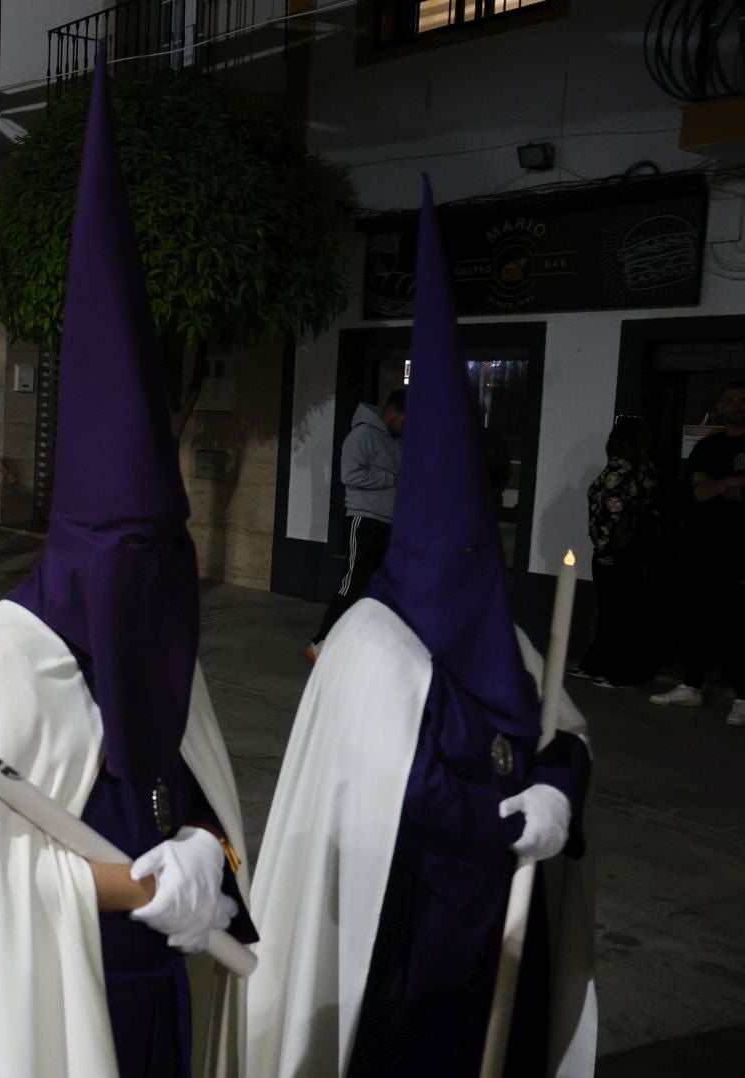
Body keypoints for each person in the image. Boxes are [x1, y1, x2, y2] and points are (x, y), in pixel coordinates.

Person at [0, 57, 252, 1077]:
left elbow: (210, 816)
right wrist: (140, 888)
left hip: (163, 1003)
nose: (149, 577)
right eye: (127, 551)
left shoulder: (160, 649)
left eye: (165, 551)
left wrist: (213, 861)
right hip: (48, 1023)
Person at [244, 182, 594, 1077]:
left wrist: (559, 790)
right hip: (407, 927)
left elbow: (564, 730)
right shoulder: (370, 643)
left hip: (504, 918)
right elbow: (404, 791)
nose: (467, 575)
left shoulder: (500, 637)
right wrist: (504, 822)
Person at [651, 380, 745, 726]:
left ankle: (743, 695)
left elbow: (715, 491)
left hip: (741, 551)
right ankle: (692, 685)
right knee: (699, 619)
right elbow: (700, 494)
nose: (736, 406)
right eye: (730, 399)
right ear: (720, 405)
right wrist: (734, 482)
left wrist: (717, 485)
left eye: (743, 401)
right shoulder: (707, 446)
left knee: (739, 625)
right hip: (702, 547)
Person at [309, 388, 405, 660]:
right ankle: (321, 641)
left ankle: (360, 642)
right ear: (392, 412)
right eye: (404, 420)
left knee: (376, 586)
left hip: (389, 522)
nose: (405, 426)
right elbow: (349, 475)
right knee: (353, 582)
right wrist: (393, 479)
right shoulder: (362, 434)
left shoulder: (396, 440)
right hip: (364, 519)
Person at [572, 417, 659, 687]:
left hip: (613, 550)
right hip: (633, 549)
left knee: (613, 611)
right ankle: (600, 665)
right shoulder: (647, 471)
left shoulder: (617, 472)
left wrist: (603, 548)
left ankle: (616, 671)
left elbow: (611, 514)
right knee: (622, 610)